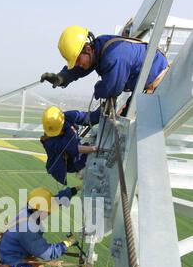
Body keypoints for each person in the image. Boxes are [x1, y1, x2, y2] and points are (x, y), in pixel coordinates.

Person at [40, 26, 169, 114]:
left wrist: (98, 88)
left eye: (77, 60)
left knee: (129, 125)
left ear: (88, 49)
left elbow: (112, 89)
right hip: (142, 81)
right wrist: (62, 78)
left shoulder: (113, 56)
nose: (78, 65)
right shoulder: (98, 47)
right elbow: (83, 66)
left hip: (158, 79)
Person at [41, 106, 100, 185]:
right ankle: (81, 169)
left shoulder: (67, 117)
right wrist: (95, 149)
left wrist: (101, 111)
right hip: (68, 162)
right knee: (90, 159)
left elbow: (89, 118)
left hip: (76, 147)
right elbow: (74, 148)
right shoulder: (50, 142)